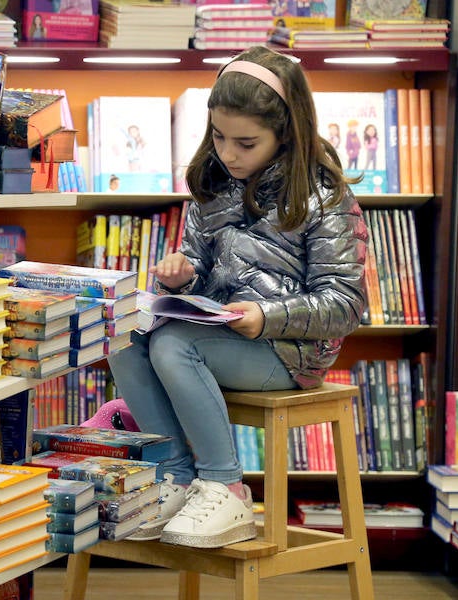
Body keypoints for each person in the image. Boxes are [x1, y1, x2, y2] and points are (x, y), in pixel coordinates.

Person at [107, 45, 368, 548]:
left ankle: (225, 486)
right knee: (122, 335)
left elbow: (345, 303)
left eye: (245, 143)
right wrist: (181, 277)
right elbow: (197, 265)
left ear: (286, 133)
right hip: (220, 332)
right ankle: (175, 477)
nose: (228, 153)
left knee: (172, 346)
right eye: (219, 136)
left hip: (290, 350)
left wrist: (267, 316)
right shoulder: (212, 184)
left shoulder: (325, 196)